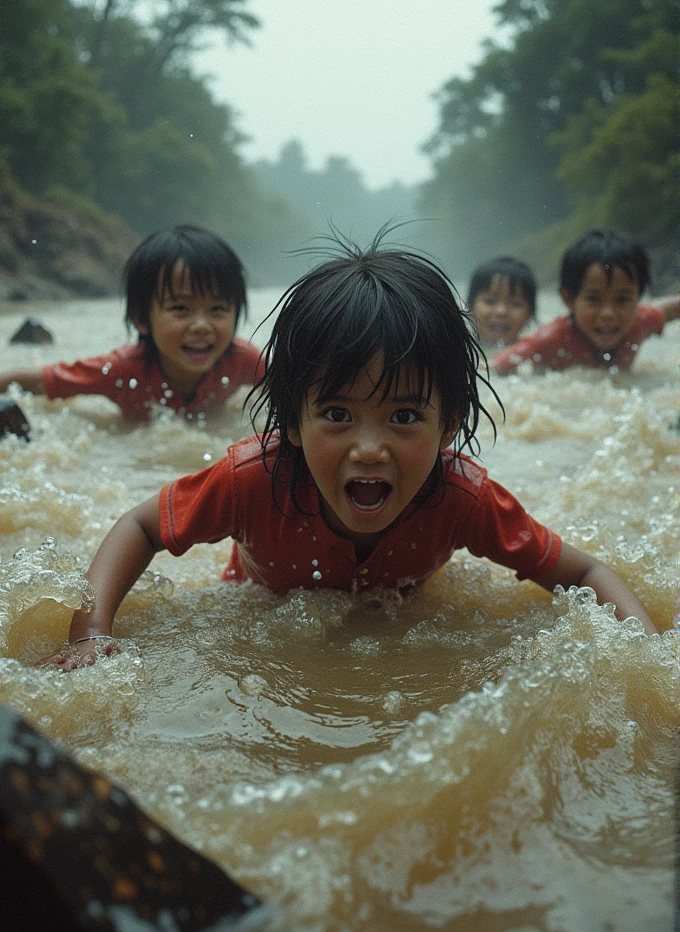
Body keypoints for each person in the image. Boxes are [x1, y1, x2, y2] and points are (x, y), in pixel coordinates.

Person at [40, 233, 659, 672]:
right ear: (291, 419)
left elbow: (585, 573)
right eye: (337, 415)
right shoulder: (254, 479)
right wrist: (91, 633)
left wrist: (650, 659)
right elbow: (141, 525)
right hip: (256, 607)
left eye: (404, 417)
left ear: (451, 424)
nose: (370, 449)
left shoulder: (462, 495)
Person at [0, 225, 263, 421]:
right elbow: (35, 381)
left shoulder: (242, 360)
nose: (201, 325)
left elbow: (293, 385)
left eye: (217, 309)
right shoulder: (121, 371)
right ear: (142, 319)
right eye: (181, 308)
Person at [491, 229, 680, 375]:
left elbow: (671, 308)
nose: (608, 313)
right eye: (593, 299)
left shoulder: (641, 321)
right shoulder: (550, 338)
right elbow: (496, 366)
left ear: (638, 298)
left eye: (622, 299)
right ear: (568, 299)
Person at [467, 256, 536, 349]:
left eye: (515, 304)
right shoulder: (453, 351)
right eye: (490, 301)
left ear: (530, 312)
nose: (501, 311)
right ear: (470, 305)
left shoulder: (538, 352)